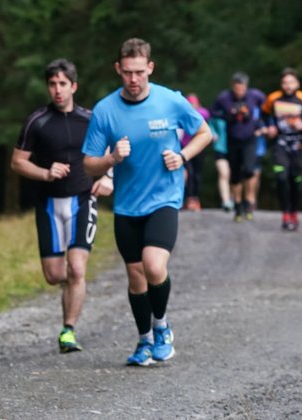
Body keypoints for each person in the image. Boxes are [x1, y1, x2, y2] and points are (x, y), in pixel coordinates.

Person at [82, 38, 212, 366]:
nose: (134, 79)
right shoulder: (105, 110)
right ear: (118, 70)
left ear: (150, 68)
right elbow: (88, 164)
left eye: (140, 72)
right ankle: (144, 340)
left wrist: (182, 156)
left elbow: (205, 133)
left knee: (154, 265)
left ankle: (162, 326)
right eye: (127, 73)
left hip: (164, 199)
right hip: (127, 205)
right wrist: (111, 158)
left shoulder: (171, 101)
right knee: (136, 275)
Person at [11, 58, 112, 354]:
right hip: (48, 203)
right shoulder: (37, 121)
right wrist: (45, 172)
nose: (57, 90)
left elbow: (110, 153)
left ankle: (68, 330)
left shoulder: (91, 119)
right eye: (52, 84)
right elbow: (17, 163)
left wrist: (108, 177)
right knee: (55, 275)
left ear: (74, 86)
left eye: (63, 84)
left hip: (83, 199)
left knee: (77, 268)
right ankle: (74, 288)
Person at [262, 68, 302, 231]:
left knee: (295, 180)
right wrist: (269, 126)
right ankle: (285, 213)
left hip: (298, 144)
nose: (288, 86)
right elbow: (264, 113)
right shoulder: (273, 98)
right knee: (281, 178)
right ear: (281, 84)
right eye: (285, 82)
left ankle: (294, 212)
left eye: (291, 82)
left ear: (297, 84)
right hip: (279, 143)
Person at [212, 72, 267, 221]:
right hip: (233, 140)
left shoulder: (255, 96)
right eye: (237, 88)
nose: (239, 91)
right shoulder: (224, 98)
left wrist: (260, 124)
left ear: (246, 86)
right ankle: (237, 205)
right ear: (232, 86)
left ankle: (249, 201)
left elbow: (267, 108)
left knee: (250, 170)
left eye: (242, 88)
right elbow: (213, 111)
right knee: (235, 174)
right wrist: (228, 116)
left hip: (249, 139)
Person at [182, 93, 210, 211]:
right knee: (189, 173)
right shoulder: (182, 114)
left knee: (197, 174)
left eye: (193, 104)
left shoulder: (202, 112)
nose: (191, 106)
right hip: (185, 148)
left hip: (199, 148)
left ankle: (194, 198)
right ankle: (188, 199)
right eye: (189, 104)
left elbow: (205, 115)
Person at [211, 117, 233, 211]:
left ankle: (235, 199)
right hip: (220, 148)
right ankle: (226, 201)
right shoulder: (217, 112)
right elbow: (209, 125)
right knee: (224, 173)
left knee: (235, 175)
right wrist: (212, 134)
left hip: (236, 148)